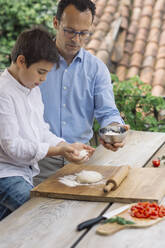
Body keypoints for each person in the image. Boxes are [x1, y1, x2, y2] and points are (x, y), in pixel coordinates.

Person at [0, 27, 95, 220]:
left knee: (9, 228)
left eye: (47, 73)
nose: (43, 79)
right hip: (5, 175)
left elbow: (41, 131)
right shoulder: (3, 93)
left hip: (24, 172)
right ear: (21, 61)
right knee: (39, 216)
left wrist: (65, 145)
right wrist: (56, 151)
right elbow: (13, 147)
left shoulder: (31, 88)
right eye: (40, 72)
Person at [35, 0, 126, 185]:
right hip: (38, 161)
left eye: (83, 33)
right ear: (56, 23)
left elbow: (108, 112)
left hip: (81, 160)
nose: (76, 39)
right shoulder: (34, 63)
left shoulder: (97, 69)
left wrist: (114, 130)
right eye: (69, 31)